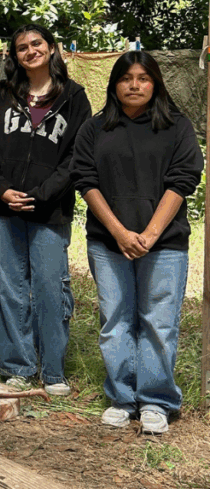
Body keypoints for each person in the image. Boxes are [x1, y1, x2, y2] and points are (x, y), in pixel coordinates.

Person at [71, 51, 202, 435]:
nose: (134, 85)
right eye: (126, 78)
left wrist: (148, 235)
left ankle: (156, 401)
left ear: (156, 83)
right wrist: (119, 233)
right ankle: (122, 397)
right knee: (116, 322)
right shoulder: (95, 129)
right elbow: (85, 180)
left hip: (165, 245)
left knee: (158, 324)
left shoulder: (177, 127)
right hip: (107, 242)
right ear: (114, 85)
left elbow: (183, 181)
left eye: (143, 78)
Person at [0, 25, 92, 396]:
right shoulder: (0, 94)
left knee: (49, 287)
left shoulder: (74, 97)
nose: (30, 51)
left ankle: (53, 371)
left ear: (52, 48)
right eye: (22, 47)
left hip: (50, 211)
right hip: (3, 208)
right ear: (14, 56)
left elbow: (77, 155)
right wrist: (2, 189)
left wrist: (42, 194)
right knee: (9, 288)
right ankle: (18, 367)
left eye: (36, 44)